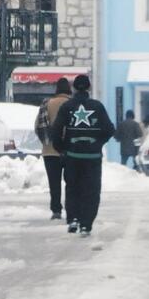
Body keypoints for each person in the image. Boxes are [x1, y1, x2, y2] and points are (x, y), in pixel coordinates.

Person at [50, 74, 115, 236]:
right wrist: (98, 143)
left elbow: (56, 131)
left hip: (72, 156)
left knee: (72, 188)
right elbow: (109, 129)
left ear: (73, 88)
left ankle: (73, 219)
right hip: (92, 158)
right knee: (91, 191)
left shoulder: (67, 107)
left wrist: (62, 149)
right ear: (89, 88)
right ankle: (86, 224)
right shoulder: (97, 107)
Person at [35, 77, 72, 221]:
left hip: (50, 151)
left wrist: (46, 141)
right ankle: (71, 208)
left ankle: (56, 209)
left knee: (54, 182)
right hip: (69, 149)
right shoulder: (72, 104)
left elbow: (37, 125)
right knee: (71, 181)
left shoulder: (46, 104)